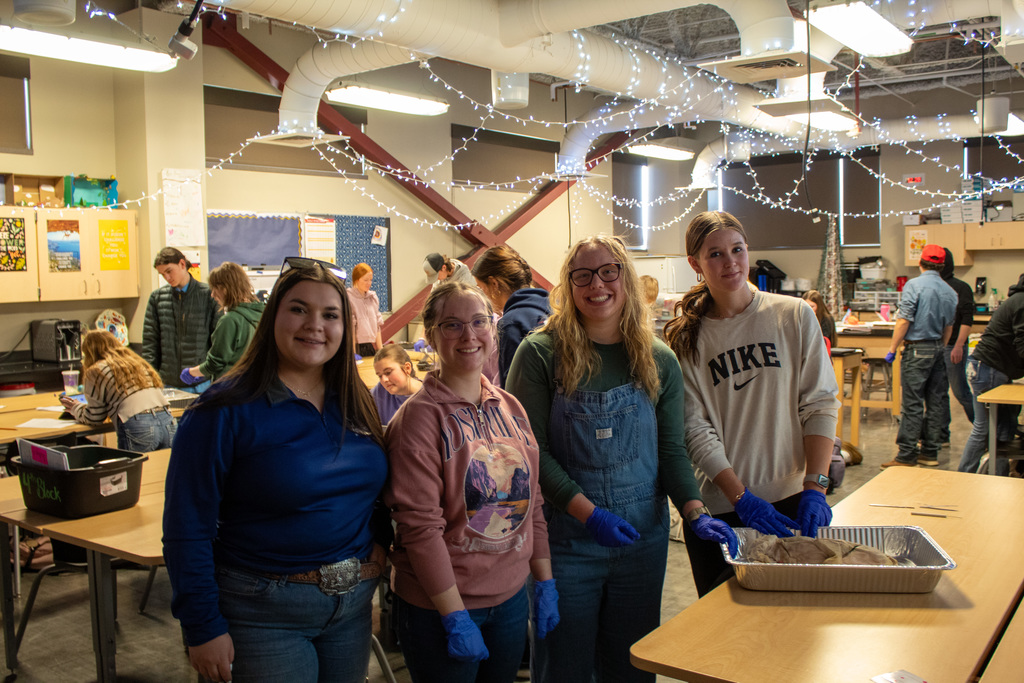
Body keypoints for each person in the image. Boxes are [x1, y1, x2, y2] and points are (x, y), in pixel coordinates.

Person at [506, 235, 736, 683]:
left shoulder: (658, 359)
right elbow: (530, 454)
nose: (598, 284)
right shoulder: (540, 354)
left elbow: (671, 450)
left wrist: (694, 510)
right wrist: (588, 514)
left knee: (631, 666)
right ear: (568, 287)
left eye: (609, 271)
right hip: (567, 543)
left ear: (626, 279)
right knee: (564, 667)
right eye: (583, 275)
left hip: (640, 542)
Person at [163, 257, 390, 683]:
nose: (314, 325)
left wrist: (380, 543)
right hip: (260, 612)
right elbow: (185, 527)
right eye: (298, 309)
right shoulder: (222, 410)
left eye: (330, 314)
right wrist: (202, 625)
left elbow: (376, 489)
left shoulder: (355, 398)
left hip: (352, 607)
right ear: (273, 318)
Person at [385, 282, 557, 683]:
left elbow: (532, 505)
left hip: (511, 599)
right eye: (452, 325)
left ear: (493, 328)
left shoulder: (510, 406)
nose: (469, 335)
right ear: (430, 335)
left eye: (479, 322)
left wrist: (544, 581)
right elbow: (420, 529)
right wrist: (455, 616)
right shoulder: (418, 419)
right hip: (443, 606)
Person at [663, 211, 839, 597]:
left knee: (799, 625)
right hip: (723, 509)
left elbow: (820, 404)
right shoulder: (685, 340)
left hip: (794, 499)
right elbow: (694, 429)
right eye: (715, 255)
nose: (730, 262)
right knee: (727, 635)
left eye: (737, 250)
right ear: (695, 264)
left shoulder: (793, 316)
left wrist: (816, 485)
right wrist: (740, 496)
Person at [881, 244, 957, 469]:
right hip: (938, 349)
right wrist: (940, 348)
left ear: (920, 262)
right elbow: (949, 327)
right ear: (942, 265)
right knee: (936, 402)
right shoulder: (949, 291)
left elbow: (904, 320)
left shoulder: (914, 285)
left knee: (912, 403)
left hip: (917, 348)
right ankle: (930, 453)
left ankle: (906, 455)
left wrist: (893, 348)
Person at [59, 329, 176, 452]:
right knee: (162, 470)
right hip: (167, 420)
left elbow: (94, 417)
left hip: (138, 424)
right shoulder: (137, 363)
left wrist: (75, 408)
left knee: (135, 470)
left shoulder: (96, 370)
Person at [957, 273, 1024, 475]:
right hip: (990, 367)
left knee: (1004, 426)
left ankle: (999, 478)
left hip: (989, 367)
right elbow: (1023, 345)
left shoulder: (1017, 299)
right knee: (985, 428)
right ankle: (964, 476)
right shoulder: (1022, 302)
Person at [142, 247, 221, 393]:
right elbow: (150, 343)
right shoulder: (157, 298)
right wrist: (149, 378)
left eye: (169, 271)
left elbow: (218, 341)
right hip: (168, 382)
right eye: (162, 274)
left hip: (201, 383)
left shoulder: (209, 295)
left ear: (182, 264)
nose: (167, 277)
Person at [471, 245, 550, 386]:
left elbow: (512, 389)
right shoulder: (551, 309)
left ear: (494, 284)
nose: (483, 296)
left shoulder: (510, 323)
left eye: (481, 288)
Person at [181, 261, 264, 386]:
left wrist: (191, 372)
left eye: (214, 289)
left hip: (230, 388)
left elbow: (215, 363)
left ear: (224, 289)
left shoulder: (230, 320)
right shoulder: (261, 315)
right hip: (252, 386)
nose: (213, 295)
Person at [938, 247, 975, 439]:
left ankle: (982, 427)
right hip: (939, 346)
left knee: (960, 391)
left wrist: (959, 345)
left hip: (954, 346)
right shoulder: (935, 286)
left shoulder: (961, 287)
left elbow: (967, 319)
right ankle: (942, 434)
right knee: (940, 392)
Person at [371, 344, 423, 424]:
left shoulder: (430, 396)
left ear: (407, 368)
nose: (384, 379)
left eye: (388, 372)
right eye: (380, 376)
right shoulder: (380, 391)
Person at [348, 262, 385, 358]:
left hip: (369, 346)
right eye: (365, 280)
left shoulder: (372, 297)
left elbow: (377, 325)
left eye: (370, 280)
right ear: (356, 280)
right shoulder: (349, 297)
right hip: (356, 346)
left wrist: (380, 350)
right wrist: (353, 353)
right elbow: (351, 328)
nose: (369, 283)